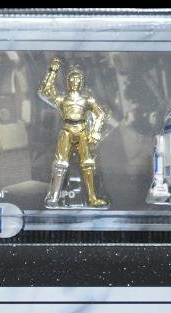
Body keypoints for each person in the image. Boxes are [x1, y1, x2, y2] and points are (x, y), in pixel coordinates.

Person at [39, 58, 108, 208]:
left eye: (77, 79)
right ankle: (54, 197)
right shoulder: (62, 99)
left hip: (82, 131)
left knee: (88, 164)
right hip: (66, 130)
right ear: (67, 81)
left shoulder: (86, 100)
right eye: (72, 78)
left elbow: (101, 114)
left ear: (81, 82)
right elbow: (46, 91)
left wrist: (95, 132)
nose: (75, 81)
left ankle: (92, 198)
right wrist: (53, 70)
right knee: (60, 164)